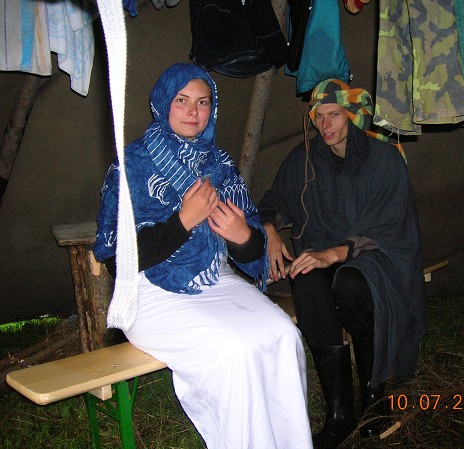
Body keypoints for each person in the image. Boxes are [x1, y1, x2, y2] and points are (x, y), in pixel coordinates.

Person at [93, 63, 313, 449]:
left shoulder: (220, 165)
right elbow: (117, 261)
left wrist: (242, 236)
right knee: (233, 353)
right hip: (150, 290)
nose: (194, 112)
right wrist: (183, 222)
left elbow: (251, 252)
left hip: (215, 279)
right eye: (182, 101)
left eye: (203, 102)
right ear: (163, 103)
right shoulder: (133, 166)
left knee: (284, 336)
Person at [258, 79, 426, 448]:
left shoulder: (383, 159)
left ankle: (374, 397)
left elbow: (391, 224)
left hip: (378, 257)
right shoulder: (304, 158)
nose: (325, 124)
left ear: (352, 114)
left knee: (350, 284)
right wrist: (269, 227)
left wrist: (336, 253)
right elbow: (274, 200)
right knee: (306, 279)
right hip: (324, 253)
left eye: (333, 114)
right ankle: (340, 412)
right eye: (318, 116)